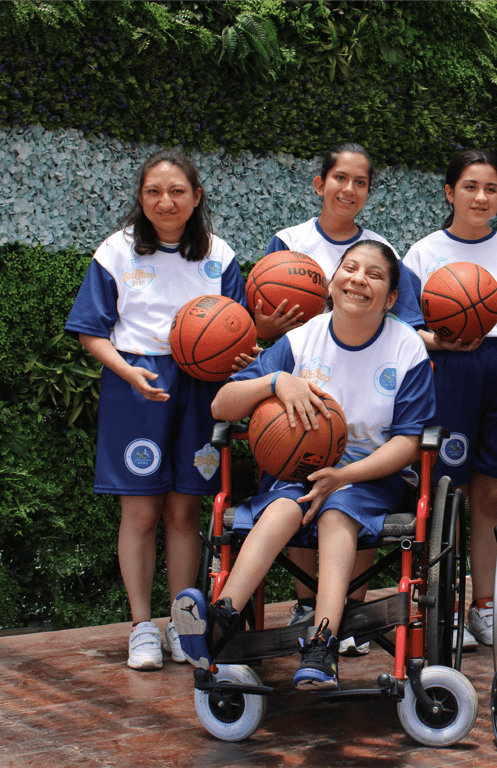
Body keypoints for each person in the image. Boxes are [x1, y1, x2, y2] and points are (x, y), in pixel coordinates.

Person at [172, 240, 435, 691]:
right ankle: (222, 618)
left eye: (374, 274)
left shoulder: (406, 347)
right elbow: (221, 403)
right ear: (332, 283)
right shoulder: (302, 339)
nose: (358, 279)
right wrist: (276, 380)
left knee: (336, 512)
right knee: (280, 509)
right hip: (299, 469)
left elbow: (411, 443)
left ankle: (322, 639)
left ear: (392, 298)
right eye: (349, 268)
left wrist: (344, 476)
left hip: (372, 475)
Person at [65, 148, 249, 670]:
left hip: (200, 386)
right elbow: (90, 329)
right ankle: (142, 626)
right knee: (141, 510)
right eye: (153, 192)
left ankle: (181, 624)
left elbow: (237, 330)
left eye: (176, 191)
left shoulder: (219, 254)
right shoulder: (117, 251)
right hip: (137, 383)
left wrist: (245, 353)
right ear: (141, 198)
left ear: (196, 198)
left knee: (185, 510)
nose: (165, 201)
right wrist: (125, 370)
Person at [262, 142, 423, 656]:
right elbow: (260, 319)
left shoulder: (384, 255)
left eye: (360, 181)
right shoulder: (289, 245)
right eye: (340, 178)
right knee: (298, 486)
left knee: (341, 501)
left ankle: (341, 615)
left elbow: (409, 326)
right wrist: (272, 367)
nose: (349, 188)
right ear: (321, 184)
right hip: (301, 416)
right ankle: (306, 609)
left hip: (364, 450)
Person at [401, 149, 497, 648]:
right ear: (449, 192)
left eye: (490, 189)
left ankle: (483, 605)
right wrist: (442, 340)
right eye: (470, 187)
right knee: (445, 493)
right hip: (449, 370)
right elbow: (403, 331)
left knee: (492, 494)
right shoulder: (423, 253)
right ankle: (439, 606)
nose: (481, 197)